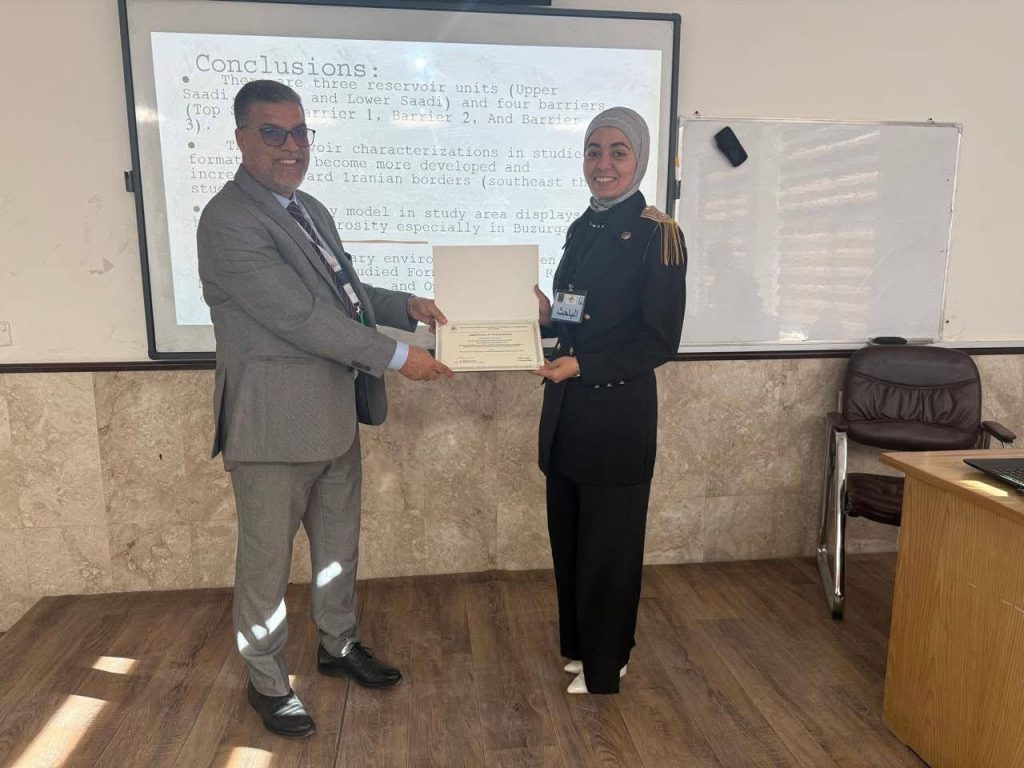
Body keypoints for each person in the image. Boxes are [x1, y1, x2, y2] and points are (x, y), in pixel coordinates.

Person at [197, 80, 453, 738]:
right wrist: (398, 356)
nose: (291, 146)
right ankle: (266, 679)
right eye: (273, 133)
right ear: (242, 139)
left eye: (299, 132)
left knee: (339, 547)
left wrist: (404, 306)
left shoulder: (307, 207)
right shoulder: (228, 221)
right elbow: (301, 316)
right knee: (266, 565)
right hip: (272, 428)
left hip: (334, 417)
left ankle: (338, 644)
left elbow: (344, 293)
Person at [531, 107, 686, 695]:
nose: (604, 163)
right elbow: (580, 316)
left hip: (617, 415)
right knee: (572, 542)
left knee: (609, 551)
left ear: (639, 160)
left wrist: (583, 365)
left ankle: (607, 663)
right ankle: (581, 648)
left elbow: (659, 341)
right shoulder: (583, 227)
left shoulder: (658, 234)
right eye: (594, 151)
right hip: (568, 413)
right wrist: (548, 318)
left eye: (618, 152)